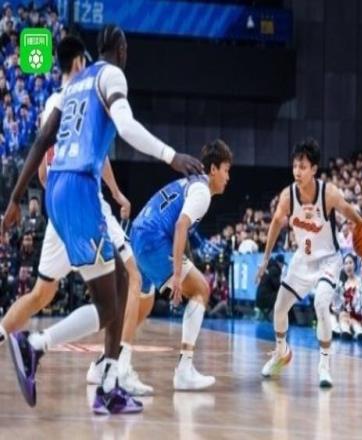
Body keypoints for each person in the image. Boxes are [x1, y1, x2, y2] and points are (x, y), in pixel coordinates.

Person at [1, 25, 203, 414]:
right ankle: (35, 345)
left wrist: (14, 199)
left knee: (124, 281)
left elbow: (42, 140)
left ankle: (109, 386)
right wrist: (171, 156)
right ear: (121, 49)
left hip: (57, 191)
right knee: (110, 305)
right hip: (79, 189)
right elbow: (125, 127)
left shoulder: (73, 86)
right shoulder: (111, 75)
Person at [0, 36, 154, 396]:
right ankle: (114, 370)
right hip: (84, 199)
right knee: (128, 281)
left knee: (42, 292)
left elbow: (45, 161)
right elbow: (91, 156)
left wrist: (26, 198)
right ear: (82, 63)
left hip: (60, 202)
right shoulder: (86, 92)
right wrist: (113, 194)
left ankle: (105, 372)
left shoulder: (56, 100)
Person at [256, 138, 362, 388]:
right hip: (303, 260)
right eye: (295, 166)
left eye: (303, 167)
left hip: (328, 260)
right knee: (279, 308)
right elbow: (275, 224)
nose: (297, 171)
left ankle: (324, 365)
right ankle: (281, 352)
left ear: (314, 169)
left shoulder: (328, 193)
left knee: (320, 304)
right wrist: (265, 259)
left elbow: (348, 210)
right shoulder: (288, 196)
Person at [130, 139, 232, 390]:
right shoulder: (202, 192)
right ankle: (184, 370)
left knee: (142, 306)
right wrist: (177, 274)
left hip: (138, 234)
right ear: (213, 170)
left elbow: (181, 231)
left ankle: (106, 362)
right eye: (226, 170)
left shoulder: (190, 184)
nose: (228, 178)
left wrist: (184, 264)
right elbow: (180, 226)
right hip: (154, 240)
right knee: (201, 290)